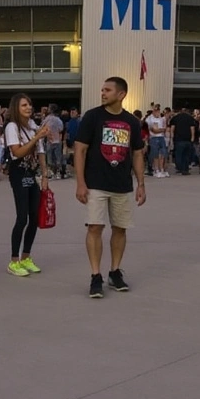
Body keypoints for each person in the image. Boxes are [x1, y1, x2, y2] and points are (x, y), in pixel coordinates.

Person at [74, 77, 147, 299]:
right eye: (102, 89)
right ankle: (96, 276)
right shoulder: (93, 117)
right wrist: (80, 182)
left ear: (121, 94)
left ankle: (115, 272)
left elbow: (137, 154)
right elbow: (80, 150)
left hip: (122, 185)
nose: (103, 93)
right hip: (95, 183)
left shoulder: (132, 122)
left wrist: (141, 184)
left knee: (120, 228)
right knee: (95, 228)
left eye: (107, 90)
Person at [3, 93, 50, 277]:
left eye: (30, 104)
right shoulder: (12, 127)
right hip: (18, 172)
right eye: (24, 105)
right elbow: (18, 152)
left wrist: (45, 175)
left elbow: (41, 153)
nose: (28, 108)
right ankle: (14, 260)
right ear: (16, 107)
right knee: (22, 217)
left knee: (34, 218)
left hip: (32, 173)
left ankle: (26, 257)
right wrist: (37, 137)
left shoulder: (32, 127)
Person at [171, 106, 198, 176]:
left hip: (178, 139)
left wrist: (172, 137)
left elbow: (172, 128)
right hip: (188, 139)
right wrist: (192, 138)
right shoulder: (190, 118)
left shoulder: (175, 118)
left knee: (178, 155)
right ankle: (185, 169)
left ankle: (179, 168)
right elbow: (192, 128)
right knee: (186, 155)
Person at [43, 104, 66, 180]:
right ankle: (58, 173)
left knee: (49, 158)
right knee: (58, 157)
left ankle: (52, 173)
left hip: (50, 141)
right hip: (57, 140)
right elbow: (61, 129)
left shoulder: (47, 119)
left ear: (51, 110)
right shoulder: (58, 120)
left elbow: (42, 127)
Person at [146, 105, 168, 178]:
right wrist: (161, 129)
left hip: (161, 137)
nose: (157, 112)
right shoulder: (150, 119)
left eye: (158, 111)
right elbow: (154, 130)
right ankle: (156, 170)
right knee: (155, 155)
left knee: (162, 154)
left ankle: (161, 169)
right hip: (154, 138)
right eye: (156, 111)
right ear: (153, 111)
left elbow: (164, 128)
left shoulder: (161, 119)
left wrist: (160, 129)